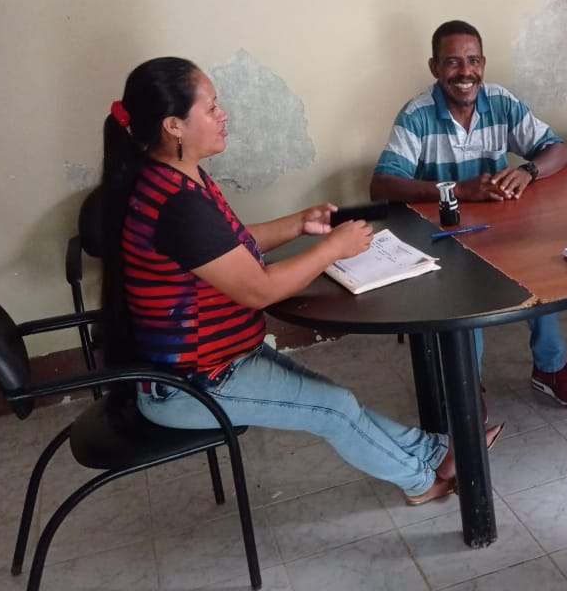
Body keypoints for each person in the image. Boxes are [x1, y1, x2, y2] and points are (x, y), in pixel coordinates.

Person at [98, 56, 502, 507]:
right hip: (192, 385)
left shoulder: (176, 178)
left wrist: (299, 225)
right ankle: (421, 481)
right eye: (211, 108)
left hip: (218, 362)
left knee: (337, 400)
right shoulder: (176, 203)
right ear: (174, 125)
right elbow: (259, 289)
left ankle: (434, 452)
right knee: (332, 409)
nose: (223, 115)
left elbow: (227, 246)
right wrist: (333, 249)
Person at [370, 20, 567, 407]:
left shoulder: (500, 101)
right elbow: (382, 185)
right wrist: (458, 190)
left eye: (473, 61)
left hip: (501, 230)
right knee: (466, 295)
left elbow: (558, 150)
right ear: (434, 68)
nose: (465, 72)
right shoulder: (417, 114)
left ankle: (550, 367)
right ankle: (468, 385)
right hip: (442, 237)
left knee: (541, 273)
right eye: (452, 62)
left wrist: (528, 171)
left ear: (483, 64)